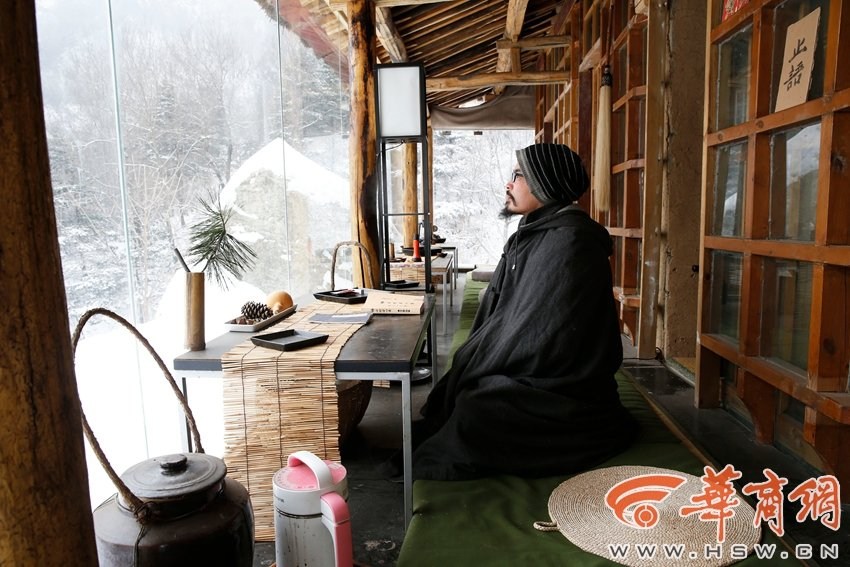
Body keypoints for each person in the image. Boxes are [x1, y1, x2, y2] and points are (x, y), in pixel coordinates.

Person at [411, 142, 637, 481]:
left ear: (546, 183)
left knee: (478, 406)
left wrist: (490, 360)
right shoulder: (535, 232)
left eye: (518, 175)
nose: (509, 184)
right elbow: (510, 313)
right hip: (536, 363)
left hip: (564, 382)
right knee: (466, 388)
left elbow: (545, 332)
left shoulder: (571, 243)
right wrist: (483, 357)